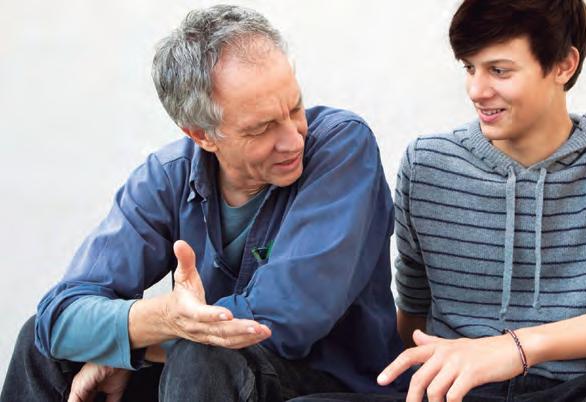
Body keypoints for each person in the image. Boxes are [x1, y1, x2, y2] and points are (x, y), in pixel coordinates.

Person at [294, 1, 586, 401]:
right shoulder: (427, 163)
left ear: (563, 65)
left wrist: (516, 348)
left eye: (499, 70)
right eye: (470, 68)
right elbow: (413, 311)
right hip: (460, 395)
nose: (477, 90)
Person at [0, 5, 405, 402]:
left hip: (324, 382)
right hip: (206, 375)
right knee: (44, 349)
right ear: (201, 135)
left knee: (203, 354)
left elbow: (283, 319)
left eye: (295, 106)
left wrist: (134, 347)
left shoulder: (341, 146)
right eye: (262, 128)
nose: (292, 139)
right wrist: (160, 319)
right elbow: (59, 319)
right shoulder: (167, 177)